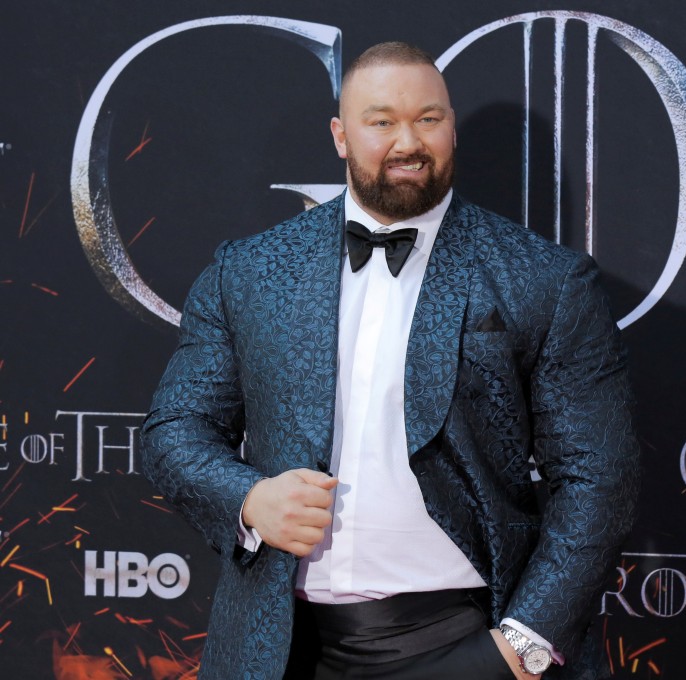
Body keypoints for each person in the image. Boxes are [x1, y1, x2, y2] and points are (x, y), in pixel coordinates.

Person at [141, 41, 639, 680]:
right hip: (276, 646)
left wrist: (522, 645)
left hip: (465, 642)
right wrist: (249, 499)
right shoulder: (249, 270)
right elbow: (174, 430)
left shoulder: (544, 278)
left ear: (451, 127)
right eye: (381, 121)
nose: (409, 141)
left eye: (428, 119)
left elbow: (600, 480)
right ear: (341, 136)